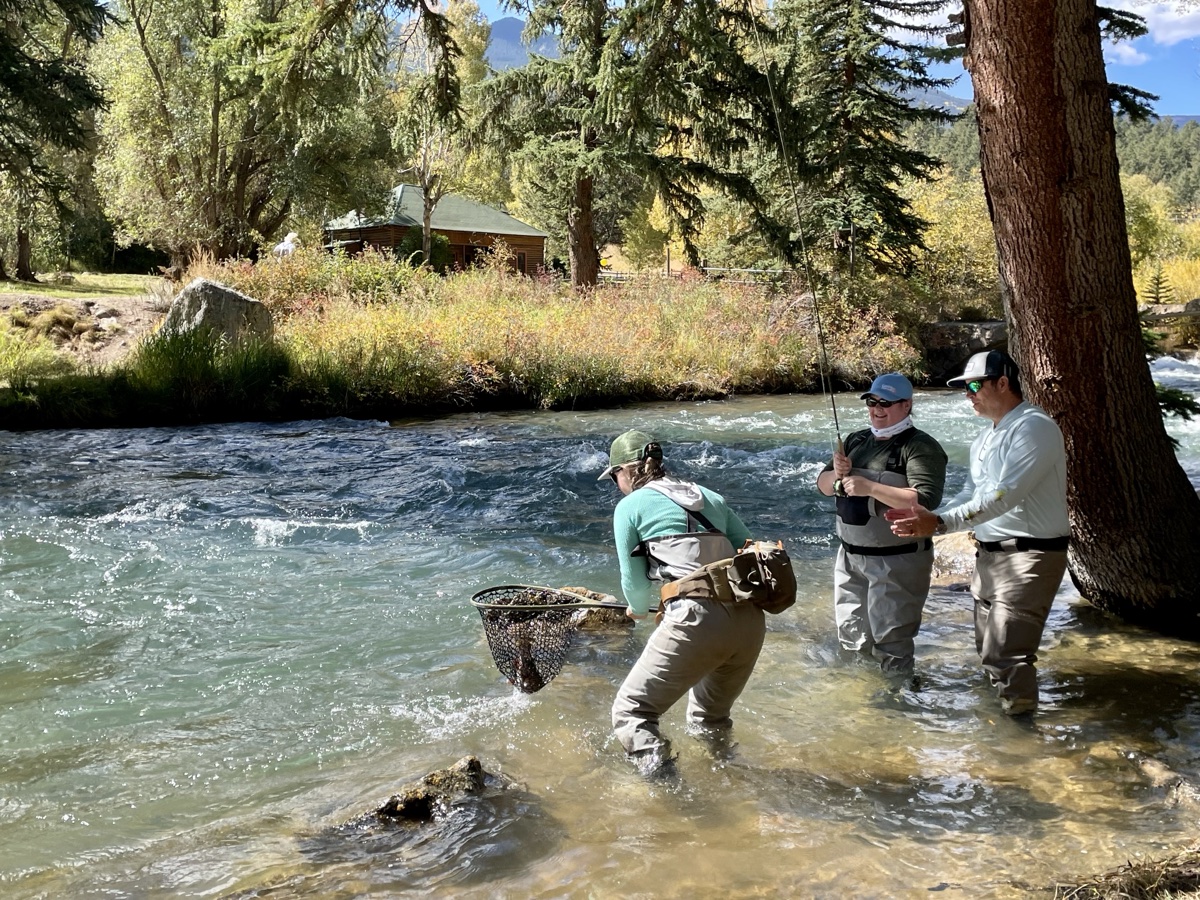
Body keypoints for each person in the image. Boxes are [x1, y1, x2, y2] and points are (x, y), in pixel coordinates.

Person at [885, 350, 1070, 716]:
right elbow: (972, 494)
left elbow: (1004, 496)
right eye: (963, 388)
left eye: (973, 385)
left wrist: (939, 524)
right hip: (989, 556)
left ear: (1003, 383)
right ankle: (1000, 734)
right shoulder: (986, 438)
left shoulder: (1034, 427)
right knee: (989, 650)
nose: (968, 394)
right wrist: (931, 514)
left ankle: (1020, 742)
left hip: (1030, 556)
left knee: (1007, 654)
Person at [599, 429, 765, 777]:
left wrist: (638, 609)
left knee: (631, 713)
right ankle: (731, 780)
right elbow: (749, 548)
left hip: (697, 618)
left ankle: (672, 802)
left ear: (627, 471)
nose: (617, 483)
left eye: (614, 475)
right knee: (711, 718)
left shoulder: (629, 507)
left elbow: (634, 584)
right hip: (749, 621)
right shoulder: (711, 497)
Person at [815, 373, 948, 678]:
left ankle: (896, 705)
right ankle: (862, 704)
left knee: (893, 643)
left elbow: (925, 499)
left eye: (885, 403)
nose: (877, 408)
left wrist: (870, 488)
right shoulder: (856, 440)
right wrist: (836, 476)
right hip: (850, 559)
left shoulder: (919, 446)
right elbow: (822, 485)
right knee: (852, 639)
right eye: (872, 401)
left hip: (897, 561)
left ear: (906, 405)